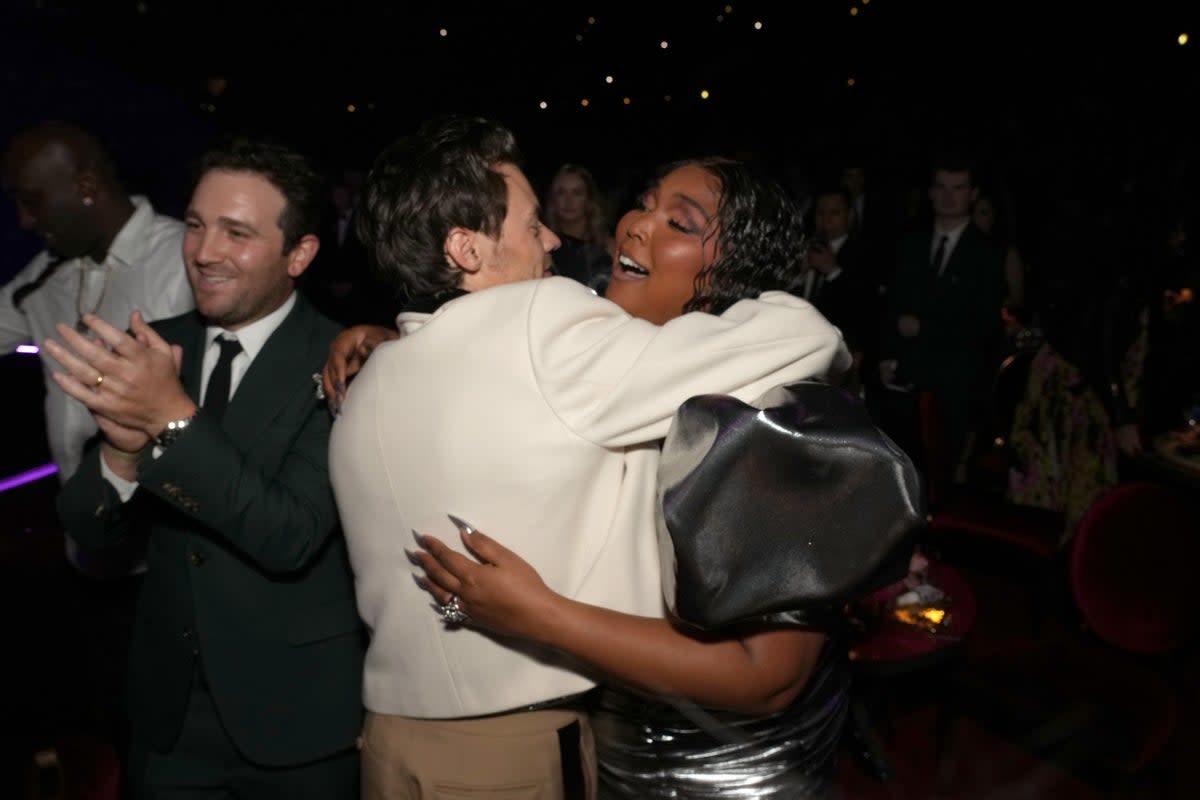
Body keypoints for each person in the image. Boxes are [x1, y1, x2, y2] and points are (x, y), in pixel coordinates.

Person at [325, 115, 849, 799]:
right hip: (553, 746)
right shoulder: (555, 342)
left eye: (678, 223)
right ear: (467, 248)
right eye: (645, 202)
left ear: (731, 272)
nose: (632, 224)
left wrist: (542, 615)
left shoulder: (767, 427)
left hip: (718, 770)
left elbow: (769, 674)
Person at [45, 136, 364, 798]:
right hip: (167, 718)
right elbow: (88, 530)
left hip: (296, 721)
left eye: (237, 232)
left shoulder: (342, 359)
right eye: (194, 225)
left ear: (299, 253)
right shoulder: (155, 348)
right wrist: (121, 452)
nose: (204, 252)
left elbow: (289, 535)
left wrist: (170, 418)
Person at [1, 121, 194, 573]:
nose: (24, 221)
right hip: (85, 552)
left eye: (32, 201)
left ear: (86, 186)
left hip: (165, 563)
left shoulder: (182, 262)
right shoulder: (48, 274)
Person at [544, 163, 614, 293]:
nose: (568, 200)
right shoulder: (545, 245)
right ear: (553, 199)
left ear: (588, 199)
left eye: (577, 193)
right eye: (561, 192)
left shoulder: (608, 246)